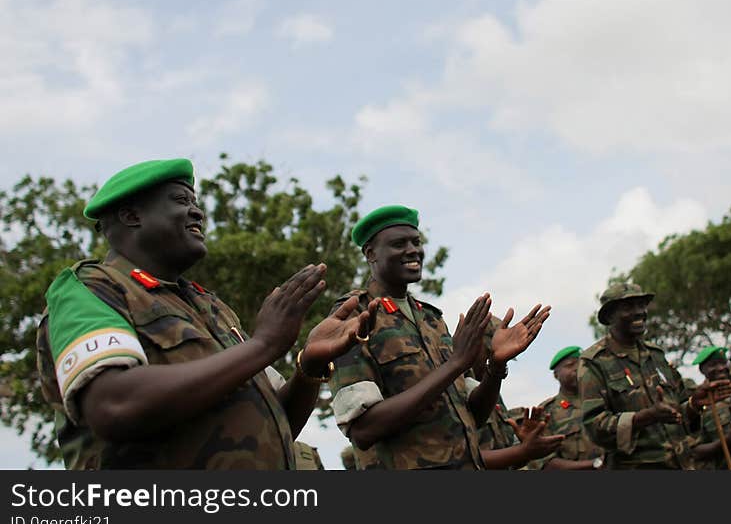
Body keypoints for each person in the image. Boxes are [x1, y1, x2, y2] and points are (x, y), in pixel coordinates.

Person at [36, 159, 372, 469]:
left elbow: (275, 422)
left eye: (196, 203)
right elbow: (114, 405)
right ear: (131, 216)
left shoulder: (209, 306)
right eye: (182, 201)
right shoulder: (89, 288)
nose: (197, 213)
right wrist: (265, 344)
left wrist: (309, 367)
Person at [327, 205, 550, 469]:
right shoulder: (354, 315)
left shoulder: (431, 319)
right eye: (399, 244)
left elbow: (473, 416)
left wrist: (495, 367)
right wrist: (455, 363)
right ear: (371, 253)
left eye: (416, 242)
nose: (413, 250)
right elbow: (364, 429)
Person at [578, 283, 731, 469]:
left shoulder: (656, 355)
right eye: (628, 307)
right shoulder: (594, 362)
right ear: (609, 316)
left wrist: (695, 404)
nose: (639, 312)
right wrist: (646, 417)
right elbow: (595, 427)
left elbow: (678, 415)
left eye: (641, 305)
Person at [474, 317, 563, 469]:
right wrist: (522, 451)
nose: (495, 363)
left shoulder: (495, 397)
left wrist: (525, 446)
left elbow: (509, 463)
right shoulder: (455, 389)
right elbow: (460, 458)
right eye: (491, 355)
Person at [533, 346, 604, 470]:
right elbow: (546, 463)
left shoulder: (605, 399)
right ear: (556, 375)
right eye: (570, 365)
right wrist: (596, 464)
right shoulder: (547, 412)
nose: (577, 369)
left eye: (581, 364)